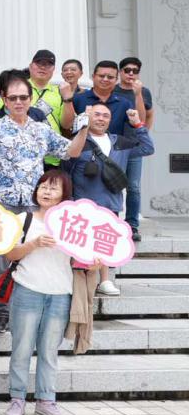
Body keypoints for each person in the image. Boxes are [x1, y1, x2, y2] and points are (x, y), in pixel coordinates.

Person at [0, 76, 90, 333]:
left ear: (30, 100)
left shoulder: (41, 129)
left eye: (23, 97)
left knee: (32, 256)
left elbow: (70, 151)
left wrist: (83, 129)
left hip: (33, 205)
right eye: (13, 98)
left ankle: (25, 309)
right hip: (2, 203)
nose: (18, 102)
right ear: (4, 100)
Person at [4, 170, 76, 415]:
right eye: (43, 186)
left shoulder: (73, 224)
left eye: (53, 188)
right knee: (22, 347)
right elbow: (10, 254)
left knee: (49, 351)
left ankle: (46, 400)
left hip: (60, 292)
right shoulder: (24, 218)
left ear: (64, 194)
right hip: (27, 288)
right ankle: (17, 399)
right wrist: (33, 244)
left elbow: (83, 261)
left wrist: (94, 262)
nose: (46, 191)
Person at [67, 105, 154, 295]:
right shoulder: (79, 142)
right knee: (80, 244)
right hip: (82, 203)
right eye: (96, 114)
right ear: (88, 117)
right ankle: (76, 281)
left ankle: (105, 281)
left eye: (106, 116)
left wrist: (138, 124)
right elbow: (66, 169)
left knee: (104, 243)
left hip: (110, 203)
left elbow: (148, 148)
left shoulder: (119, 143)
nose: (101, 118)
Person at [116, 57, 154, 241]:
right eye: (127, 70)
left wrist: (137, 94)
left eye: (135, 70)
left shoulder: (143, 92)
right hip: (115, 145)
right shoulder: (112, 90)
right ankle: (113, 223)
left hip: (133, 146)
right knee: (112, 184)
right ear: (120, 72)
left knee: (134, 187)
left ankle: (132, 225)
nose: (131, 73)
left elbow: (145, 116)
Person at [25, 50, 76, 165]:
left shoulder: (59, 91)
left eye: (48, 64)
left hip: (51, 157)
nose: (43, 67)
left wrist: (67, 98)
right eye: (39, 63)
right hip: (23, 155)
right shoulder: (17, 87)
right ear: (30, 66)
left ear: (53, 69)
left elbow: (67, 125)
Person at [73, 60, 134, 135]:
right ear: (93, 77)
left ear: (116, 80)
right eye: (101, 76)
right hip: (84, 145)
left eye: (110, 77)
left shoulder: (124, 104)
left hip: (115, 146)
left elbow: (135, 127)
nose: (105, 79)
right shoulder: (77, 99)